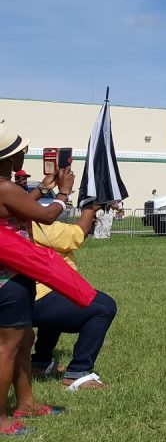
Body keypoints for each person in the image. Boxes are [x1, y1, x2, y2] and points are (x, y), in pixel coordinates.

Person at [0, 126, 72, 435]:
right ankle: (1, 419)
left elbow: (18, 207)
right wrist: (64, 194)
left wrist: (41, 190)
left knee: (25, 339)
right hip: (9, 279)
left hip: (16, 274)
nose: (24, 153)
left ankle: (26, 402)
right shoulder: (4, 188)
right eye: (20, 150)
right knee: (7, 346)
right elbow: (45, 217)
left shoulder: (6, 188)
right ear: (8, 156)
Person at [30, 205, 117, 390]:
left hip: (30, 293)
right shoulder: (31, 221)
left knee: (57, 307)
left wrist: (51, 191)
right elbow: (74, 237)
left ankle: (40, 363)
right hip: (34, 296)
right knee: (104, 307)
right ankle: (79, 372)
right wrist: (89, 209)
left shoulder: (16, 218)